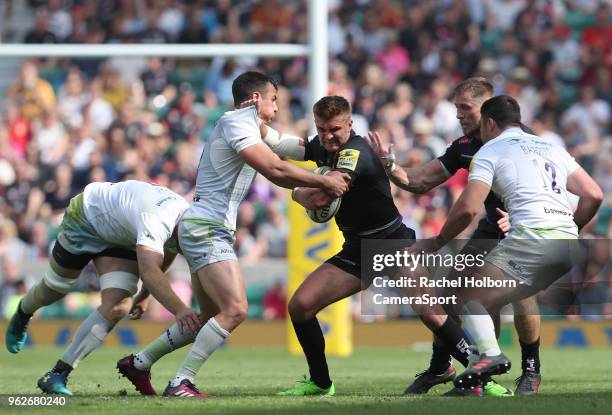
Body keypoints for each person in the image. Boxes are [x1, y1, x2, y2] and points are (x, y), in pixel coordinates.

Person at [116, 71, 350, 398]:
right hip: (207, 227)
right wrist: (324, 181)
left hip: (203, 226)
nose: (277, 108)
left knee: (211, 315)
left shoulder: (248, 125)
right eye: (273, 100)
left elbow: (286, 146)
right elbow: (275, 168)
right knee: (236, 309)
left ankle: (139, 362)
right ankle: (182, 381)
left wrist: (333, 150)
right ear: (256, 99)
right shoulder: (237, 122)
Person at [274, 96, 477, 397]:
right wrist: (256, 132)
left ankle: (482, 376)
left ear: (350, 125)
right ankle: (320, 382)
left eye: (334, 129)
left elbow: (320, 198)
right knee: (301, 306)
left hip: (393, 245)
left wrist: (296, 193)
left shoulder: (354, 151)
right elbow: (290, 146)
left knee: (431, 313)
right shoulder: (323, 145)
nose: (328, 137)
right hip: (357, 250)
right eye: (321, 129)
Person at [410, 95, 602, 390]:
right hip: (566, 245)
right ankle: (499, 375)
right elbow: (593, 194)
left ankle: (489, 358)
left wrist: (437, 241)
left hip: (531, 239)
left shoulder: (490, 150)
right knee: (494, 297)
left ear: (489, 123)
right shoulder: (551, 146)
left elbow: (468, 209)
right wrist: (570, 228)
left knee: (462, 295)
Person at [368, 77, 541, 396]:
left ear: (487, 110)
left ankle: (532, 369)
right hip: (491, 226)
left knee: (521, 294)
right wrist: (390, 165)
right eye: (456, 107)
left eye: (465, 108)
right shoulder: (463, 147)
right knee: (450, 291)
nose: (458, 115)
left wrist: (520, 219)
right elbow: (420, 181)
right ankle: (444, 367)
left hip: (523, 225)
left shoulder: (523, 141)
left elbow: (548, 190)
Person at [5, 180, 196, 396]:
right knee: (56, 288)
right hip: (87, 217)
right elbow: (150, 270)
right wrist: (180, 309)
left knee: (118, 306)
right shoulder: (157, 219)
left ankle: (57, 374)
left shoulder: (184, 221)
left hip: (120, 235)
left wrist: (143, 294)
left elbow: (167, 252)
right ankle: (24, 311)